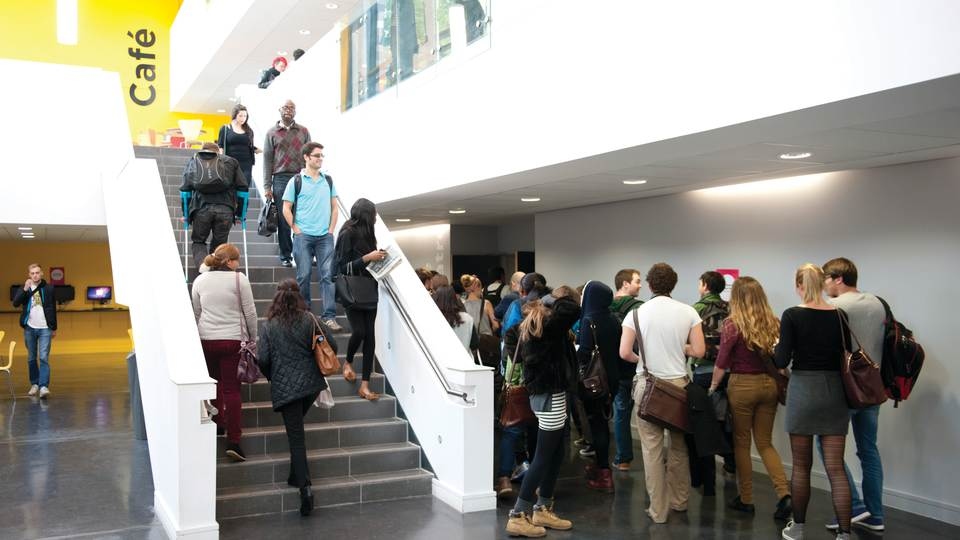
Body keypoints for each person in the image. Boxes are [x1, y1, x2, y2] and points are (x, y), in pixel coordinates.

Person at [618, 262, 705, 524]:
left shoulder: (636, 314)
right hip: (678, 386)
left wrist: (643, 359)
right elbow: (699, 351)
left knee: (652, 449)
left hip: (648, 385)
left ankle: (658, 510)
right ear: (673, 285)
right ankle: (680, 501)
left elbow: (624, 352)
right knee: (679, 446)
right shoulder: (689, 312)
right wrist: (680, 348)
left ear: (650, 284)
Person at [775, 264, 853, 540]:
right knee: (836, 468)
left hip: (803, 391)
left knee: (801, 466)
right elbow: (847, 353)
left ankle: (797, 528)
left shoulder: (791, 315)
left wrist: (776, 346)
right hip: (834, 392)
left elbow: (781, 359)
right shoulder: (840, 315)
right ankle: (845, 534)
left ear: (799, 286)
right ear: (822, 284)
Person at [708, 276, 792, 519]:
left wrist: (712, 387)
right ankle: (784, 495)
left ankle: (746, 499)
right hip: (769, 386)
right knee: (765, 443)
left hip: (743, 386)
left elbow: (721, 362)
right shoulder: (773, 322)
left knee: (742, 444)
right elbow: (781, 360)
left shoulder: (733, 324)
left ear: (736, 297)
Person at [505, 292, 581, 537]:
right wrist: (554, 298)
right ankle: (518, 515)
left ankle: (542, 508)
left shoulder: (531, 327)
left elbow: (511, 342)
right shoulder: (547, 327)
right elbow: (572, 309)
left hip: (547, 396)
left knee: (555, 453)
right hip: (550, 397)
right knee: (543, 457)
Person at [821, 257, 886, 532]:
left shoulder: (834, 307)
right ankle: (875, 515)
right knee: (868, 450)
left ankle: (853, 507)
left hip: (843, 389)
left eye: (825, 279)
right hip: (873, 387)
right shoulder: (877, 303)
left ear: (838, 278)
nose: (823, 285)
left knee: (827, 447)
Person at [256, 279, 330, 517]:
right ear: (298, 297)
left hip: (287, 389)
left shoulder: (269, 326)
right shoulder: (310, 319)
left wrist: (273, 376)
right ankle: (294, 475)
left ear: (276, 298)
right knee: (295, 430)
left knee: (296, 437)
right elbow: (331, 344)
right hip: (311, 385)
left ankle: (305, 489)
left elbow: (263, 360)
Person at [190, 243, 257, 462]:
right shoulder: (240, 280)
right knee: (232, 391)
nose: (239, 263)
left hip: (206, 340)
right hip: (232, 341)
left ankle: (218, 424)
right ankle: (234, 441)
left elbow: (196, 312)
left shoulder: (200, 281)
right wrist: (253, 338)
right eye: (237, 259)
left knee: (214, 385)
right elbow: (250, 313)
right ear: (229, 261)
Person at [282, 141, 341, 331]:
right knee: (304, 275)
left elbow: (334, 207)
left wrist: (331, 230)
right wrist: (296, 229)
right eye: (317, 155)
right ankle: (305, 314)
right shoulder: (296, 181)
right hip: (303, 236)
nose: (320, 159)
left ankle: (329, 316)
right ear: (306, 157)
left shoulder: (328, 180)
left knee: (328, 276)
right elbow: (286, 208)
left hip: (325, 237)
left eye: (322, 155)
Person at [686, 270, 734, 496]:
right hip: (729, 373)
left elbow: (687, 340)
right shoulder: (731, 309)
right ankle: (731, 465)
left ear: (704, 285)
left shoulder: (695, 309)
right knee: (728, 422)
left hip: (703, 372)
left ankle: (707, 482)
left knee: (703, 427)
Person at [335, 198, 387, 401]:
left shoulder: (369, 235)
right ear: (366, 215)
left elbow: (367, 264)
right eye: (373, 214)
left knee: (370, 336)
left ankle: (365, 385)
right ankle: (347, 361)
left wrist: (380, 260)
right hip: (352, 290)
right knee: (359, 331)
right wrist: (368, 258)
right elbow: (342, 267)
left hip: (369, 288)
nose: (375, 218)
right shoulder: (347, 233)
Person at [578, 280, 622, 492]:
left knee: (597, 425)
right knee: (602, 422)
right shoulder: (614, 319)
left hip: (594, 381)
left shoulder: (589, 320)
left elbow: (585, 352)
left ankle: (604, 473)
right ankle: (600, 466)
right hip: (611, 379)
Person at [180, 142, 248, 269]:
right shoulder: (230, 162)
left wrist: (186, 214)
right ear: (218, 152)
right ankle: (216, 270)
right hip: (225, 210)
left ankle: (204, 267)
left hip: (201, 208)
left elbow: (185, 191)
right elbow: (243, 190)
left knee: (199, 241)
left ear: (203, 151)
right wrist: (240, 214)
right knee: (219, 246)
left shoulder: (194, 161)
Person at [263, 99, 312, 267]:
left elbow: (310, 155)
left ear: (295, 111)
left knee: (302, 218)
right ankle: (285, 256)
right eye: (285, 107)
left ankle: (302, 254)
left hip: (301, 177)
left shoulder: (304, 131)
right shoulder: (271, 133)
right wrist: (267, 186)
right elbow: (267, 160)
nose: (288, 110)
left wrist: (312, 178)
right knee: (284, 220)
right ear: (279, 110)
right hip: (280, 179)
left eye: (292, 108)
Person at [608, 268, 643, 471]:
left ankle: (623, 458)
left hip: (614, 368)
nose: (640, 285)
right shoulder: (640, 308)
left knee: (620, 413)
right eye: (637, 281)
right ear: (625, 284)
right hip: (637, 366)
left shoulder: (605, 306)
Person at [12, 263, 57, 398]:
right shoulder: (25, 288)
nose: (35, 275)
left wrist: (54, 327)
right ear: (29, 275)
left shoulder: (48, 288)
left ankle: (43, 387)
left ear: (41, 273)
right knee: (31, 358)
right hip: (30, 328)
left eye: (37, 272)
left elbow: (53, 309)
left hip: (45, 328)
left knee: (43, 357)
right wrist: (25, 289)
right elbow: (15, 303)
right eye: (32, 273)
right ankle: (35, 384)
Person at [217, 104, 258, 192]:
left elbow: (249, 145)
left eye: (245, 116)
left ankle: (243, 201)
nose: (243, 118)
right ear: (235, 115)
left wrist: (258, 149)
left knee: (244, 186)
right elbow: (220, 146)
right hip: (230, 163)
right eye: (240, 116)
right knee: (231, 187)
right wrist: (221, 160)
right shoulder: (225, 128)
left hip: (246, 163)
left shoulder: (249, 130)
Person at [461, 274, 500, 366]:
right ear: (477, 287)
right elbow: (496, 325)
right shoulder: (486, 304)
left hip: (469, 344)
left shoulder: (462, 305)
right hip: (487, 345)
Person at [433, 285, 477, 354]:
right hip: (464, 358)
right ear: (454, 299)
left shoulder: (433, 321)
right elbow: (474, 344)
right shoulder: (467, 318)